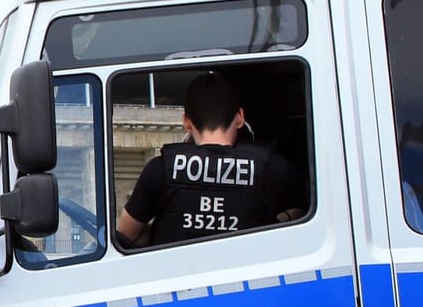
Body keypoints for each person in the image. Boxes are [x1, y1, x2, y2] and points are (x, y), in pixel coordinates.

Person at [117, 71, 306, 249]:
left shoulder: (160, 170)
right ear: (240, 118)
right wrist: (280, 220)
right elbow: (308, 214)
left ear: (187, 122)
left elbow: (124, 237)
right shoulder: (273, 169)